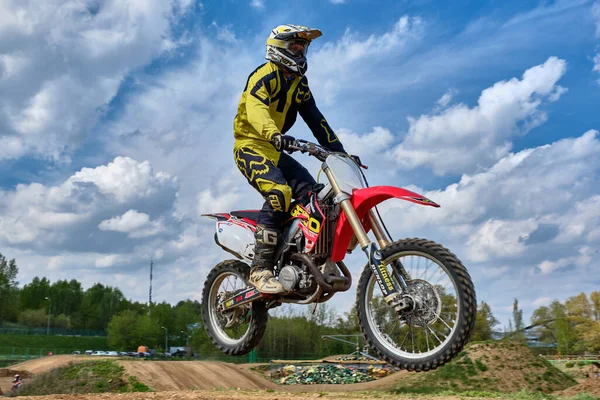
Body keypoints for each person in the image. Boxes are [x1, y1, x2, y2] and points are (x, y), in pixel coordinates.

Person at [233, 24, 356, 294]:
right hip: (251, 146)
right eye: (296, 47)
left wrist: (340, 153)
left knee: (316, 197)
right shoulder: (264, 76)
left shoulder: (299, 83)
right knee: (279, 192)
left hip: (277, 150)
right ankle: (260, 269)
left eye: (303, 48)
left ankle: (305, 255)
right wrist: (273, 133)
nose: (301, 53)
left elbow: (315, 117)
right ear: (278, 49)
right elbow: (256, 111)